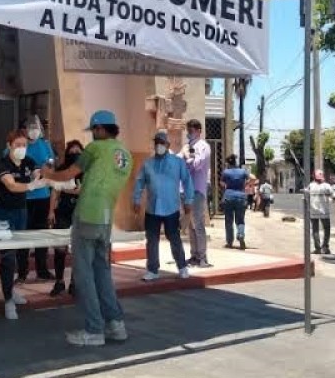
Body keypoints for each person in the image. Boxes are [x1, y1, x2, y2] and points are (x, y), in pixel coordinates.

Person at [41, 110, 132, 346]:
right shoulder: (125, 153)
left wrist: (47, 174)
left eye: (93, 130)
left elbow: (70, 173)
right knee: (102, 272)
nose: (92, 135)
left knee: (83, 274)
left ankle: (94, 330)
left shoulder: (95, 148)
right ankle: (116, 324)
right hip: (105, 218)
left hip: (87, 214)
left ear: (100, 129)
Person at [0, 130, 44, 320]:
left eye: (24, 145)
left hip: (21, 211)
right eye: (17, 145)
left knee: (19, 253)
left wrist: (39, 176)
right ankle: (7, 299)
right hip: (3, 213)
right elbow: (12, 185)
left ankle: (11, 289)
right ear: (9, 146)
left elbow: (38, 172)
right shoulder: (2, 164)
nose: (21, 149)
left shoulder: (28, 161)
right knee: (7, 256)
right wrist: (31, 186)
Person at [133, 131, 193, 281]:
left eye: (162, 142)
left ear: (168, 145)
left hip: (171, 208)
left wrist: (188, 200)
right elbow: (140, 182)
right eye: (157, 142)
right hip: (152, 208)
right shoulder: (148, 164)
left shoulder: (177, 162)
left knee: (174, 238)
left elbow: (187, 181)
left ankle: (182, 267)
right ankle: (152, 269)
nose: (159, 145)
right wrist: (136, 200)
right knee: (152, 239)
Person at [20, 116, 55, 281]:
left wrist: (45, 169)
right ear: (24, 129)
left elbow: (52, 162)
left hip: (42, 196)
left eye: (37, 127)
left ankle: (42, 269)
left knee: (41, 234)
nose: (34, 130)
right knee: (23, 235)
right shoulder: (18, 144)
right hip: (24, 196)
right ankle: (22, 272)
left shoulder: (45, 144)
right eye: (31, 127)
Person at [47, 140, 84, 296]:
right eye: (72, 151)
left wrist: (69, 190)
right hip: (63, 211)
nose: (75, 154)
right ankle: (59, 281)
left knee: (78, 249)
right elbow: (55, 192)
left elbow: (85, 191)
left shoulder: (87, 171)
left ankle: (75, 282)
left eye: (78, 152)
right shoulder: (61, 170)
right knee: (60, 248)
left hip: (82, 212)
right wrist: (51, 211)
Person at [180, 119, 212, 265]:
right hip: (186, 189)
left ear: (199, 131)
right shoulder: (187, 146)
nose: (189, 133)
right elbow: (177, 161)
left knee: (198, 223)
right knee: (191, 225)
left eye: (192, 130)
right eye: (188, 130)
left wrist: (187, 158)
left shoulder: (203, 146)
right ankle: (194, 255)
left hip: (197, 190)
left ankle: (203, 257)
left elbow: (197, 164)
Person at [220, 154, 249, 250]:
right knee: (240, 220)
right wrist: (246, 186)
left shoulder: (226, 172)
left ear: (228, 163)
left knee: (229, 221)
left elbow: (222, 184)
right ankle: (240, 234)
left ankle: (229, 242)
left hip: (228, 197)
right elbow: (252, 178)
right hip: (241, 197)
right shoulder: (242, 171)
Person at [308, 170, 334, 255]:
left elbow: (306, 197)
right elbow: (333, 195)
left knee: (315, 230)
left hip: (313, 212)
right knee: (326, 229)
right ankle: (325, 247)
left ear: (313, 176)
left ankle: (318, 248)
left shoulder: (310, 186)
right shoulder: (327, 186)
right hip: (324, 212)